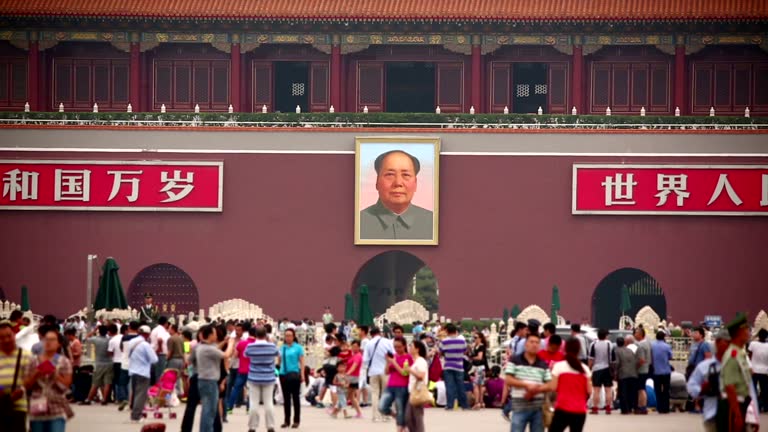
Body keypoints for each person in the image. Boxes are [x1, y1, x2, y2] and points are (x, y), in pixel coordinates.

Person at [359, 149, 434, 240]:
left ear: (415, 183)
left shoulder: (433, 222)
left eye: (406, 175)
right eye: (390, 174)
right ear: (377, 182)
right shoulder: (358, 222)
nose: (398, 183)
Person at [23, 327, 74, 432]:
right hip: (37, 405)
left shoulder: (64, 362)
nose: (49, 342)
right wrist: (36, 374)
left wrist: (55, 375)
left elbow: (66, 385)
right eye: (46, 339)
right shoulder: (33, 361)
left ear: (59, 344)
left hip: (57, 407)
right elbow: (26, 385)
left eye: (52, 340)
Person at [687, 329, 732, 432]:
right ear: (717, 343)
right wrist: (702, 390)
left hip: (734, 413)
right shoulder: (705, 367)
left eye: (731, 343)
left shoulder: (738, 365)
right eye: (726, 342)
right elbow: (692, 386)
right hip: (712, 413)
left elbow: (749, 390)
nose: (728, 346)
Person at [505, 333, 552, 432]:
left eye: (537, 342)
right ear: (525, 344)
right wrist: (526, 385)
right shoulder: (515, 360)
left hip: (538, 409)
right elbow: (508, 379)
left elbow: (550, 385)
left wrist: (535, 389)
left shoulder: (543, 364)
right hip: (519, 407)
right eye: (531, 342)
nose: (534, 345)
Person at [544, 338, 593, 432]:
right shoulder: (585, 369)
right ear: (579, 350)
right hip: (580, 410)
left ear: (565, 348)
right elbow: (589, 391)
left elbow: (552, 387)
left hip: (562, 408)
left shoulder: (559, 366)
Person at [717, 313, 756, 432]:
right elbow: (729, 386)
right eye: (746, 330)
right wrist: (737, 414)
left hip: (741, 403)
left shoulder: (739, 353)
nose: (749, 333)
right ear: (739, 333)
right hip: (732, 405)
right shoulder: (732, 355)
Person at [196, 324, 235, 432]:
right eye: (214, 333)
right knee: (210, 410)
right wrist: (231, 343)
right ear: (209, 335)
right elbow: (226, 355)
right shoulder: (208, 349)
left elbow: (216, 349)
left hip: (205, 381)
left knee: (207, 409)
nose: (216, 335)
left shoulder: (203, 347)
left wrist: (225, 341)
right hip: (210, 382)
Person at [245, 326, 279, 432]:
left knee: (253, 403)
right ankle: (270, 425)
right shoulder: (272, 347)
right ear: (266, 335)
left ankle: (252, 426)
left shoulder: (250, 347)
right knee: (268, 402)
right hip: (268, 377)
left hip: (254, 377)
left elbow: (245, 355)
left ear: (255, 334)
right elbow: (278, 355)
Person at [1, 319, 33, 430]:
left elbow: (31, 377)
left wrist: (23, 389)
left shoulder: (25, 355)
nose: (6, 340)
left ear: (14, 335)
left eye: (9, 336)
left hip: (19, 407)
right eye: (2, 337)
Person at [379, 336, 413, 432]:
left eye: (399, 347)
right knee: (382, 407)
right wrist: (387, 362)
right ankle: (398, 418)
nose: (397, 349)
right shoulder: (394, 356)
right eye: (395, 347)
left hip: (402, 386)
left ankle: (400, 428)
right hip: (390, 385)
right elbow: (386, 372)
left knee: (400, 409)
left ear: (404, 346)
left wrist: (394, 362)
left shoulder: (408, 357)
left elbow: (404, 373)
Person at [363, 327, 394, 422]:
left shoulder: (368, 343)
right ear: (379, 333)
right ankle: (386, 415)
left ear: (371, 334)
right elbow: (393, 354)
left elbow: (365, 360)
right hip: (385, 370)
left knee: (374, 393)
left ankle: (375, 416)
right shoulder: (387, 341)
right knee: (386, 393)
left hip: (373, 371)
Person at [128, 325, 158, 423]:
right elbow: (154, 359)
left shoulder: (131, 342)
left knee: (135, 393)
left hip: (133, 371)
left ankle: (134, 413)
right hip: (143, 372)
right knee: (141, 395)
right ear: (147, 334)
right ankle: (136, 416)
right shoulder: (145, 345)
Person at [279, 328, 305, 428]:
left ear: (293, 336)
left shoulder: (298, 348)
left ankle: (296, 420)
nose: (288, 337)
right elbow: (279, 361)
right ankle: (286, 420)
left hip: (294, 374)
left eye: (290, 335)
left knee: (295, 398)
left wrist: (302, 374)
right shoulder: (282, 348)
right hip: (283, 374)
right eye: (286, 335)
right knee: (286, 398)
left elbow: (302, 362)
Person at [440, 323, 468, 411]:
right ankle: (464, 405)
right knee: (460, 386)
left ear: (447, 331)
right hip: (459, 366)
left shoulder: (444, 341)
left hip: (448, 365)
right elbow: (464, 351)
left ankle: (450, 405)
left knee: (449, 386)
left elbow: (441, 352)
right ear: (456, 331)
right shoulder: (462, 341)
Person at [82, 325, 112, 405]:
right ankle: (105, 399)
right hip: (109, 363)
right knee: (107, 382)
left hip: (99, 363)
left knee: (95, 382)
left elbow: (85, 339)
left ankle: (89, 399)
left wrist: (94, 330)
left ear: (99, 331)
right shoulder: (109, 339)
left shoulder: (95, 339)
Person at [228, 325, 255, 413]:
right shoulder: (256, 344)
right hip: (252, 370)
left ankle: (229, 407)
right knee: (251, 389)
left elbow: (235, 356)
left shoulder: (242, 343)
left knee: (236, 388)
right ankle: (249, 408)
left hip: (241, 369)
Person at [588, 328, 615, 414]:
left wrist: (589, 368)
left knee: (596, 390)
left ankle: (595, 408)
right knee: (608, 390)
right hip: (607, 368)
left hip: (596, 369)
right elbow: (613, 360)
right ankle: (608, 408)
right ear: (606, 336)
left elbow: (591, 359)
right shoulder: (610, 344)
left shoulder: (593, 344)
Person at [406, 340, 429, 432]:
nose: (409, 348)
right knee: (409, 418)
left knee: (417, 418)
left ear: (417, 349)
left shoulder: (421, 361)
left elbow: (421, 376)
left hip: (418, 392)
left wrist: (409, 370)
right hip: (412, 391)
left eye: (411, 346)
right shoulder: (414, 361)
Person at [615, 336, 638, 414]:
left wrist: (614, 372)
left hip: (623, 374)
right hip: (633, 373)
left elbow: (617, 363)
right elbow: (635, 360)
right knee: (631, 392)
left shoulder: (617, 351)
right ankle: (632, 407)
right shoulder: (630, 350)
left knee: (623, 392)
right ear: (624, 343)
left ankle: (625, 409)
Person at [651, 330, 673, 414]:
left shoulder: (652, 345)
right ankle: (666, 408)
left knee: (657, 390)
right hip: (666, 371)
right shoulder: (667, 346)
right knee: (666, 390)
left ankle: (659, 408)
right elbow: (670, 357)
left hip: (656, 371)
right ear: (664, 337)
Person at [748, 328, 768, 413]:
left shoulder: (753, 344)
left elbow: (749, 355)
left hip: (754, 370)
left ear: (758, 336)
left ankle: (756, 406)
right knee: (765, 390)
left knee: (753, 390)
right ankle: (765, 406)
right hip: (765, 371)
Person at [634, 327, 652, 414]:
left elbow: (641, 360)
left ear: (641, 335)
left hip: (641, 370)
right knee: (642, 388)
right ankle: (642, 406)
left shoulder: (640, 345)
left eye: (636, 333)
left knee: (641, 389)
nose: (635, 335)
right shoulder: (647, 343)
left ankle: (642, 406)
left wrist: (635, 367)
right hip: (646, 368)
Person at [470, 331, 489, 409]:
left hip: (478, 367)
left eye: (476, 337)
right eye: (473, 337)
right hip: (481, 367)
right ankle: (481, 402)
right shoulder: (476, 346)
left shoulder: (481, 346)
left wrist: (472, 357)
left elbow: (480, 357)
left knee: (476, 386)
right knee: (480, 385)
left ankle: (477, 402)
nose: (474, 339)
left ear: (480, 338)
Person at [345, 340, 363, 419]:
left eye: (356, 346)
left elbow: (354, 366)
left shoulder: (358, 356)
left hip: (352, 377)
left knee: (345, 395)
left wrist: (347, 373)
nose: (354, 348)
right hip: (352, 377)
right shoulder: (353, 355)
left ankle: (336, 410)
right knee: (351, 396)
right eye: (353, 346)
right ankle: (359, 413)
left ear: (359, 347)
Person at [149, 316, 170, 384]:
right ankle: (158, 390)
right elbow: (160, 339)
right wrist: (159, 349)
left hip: (156, 352)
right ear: (166, 323)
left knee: (157, 372)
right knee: (160, 373)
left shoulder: (155, 329)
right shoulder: (161, 330)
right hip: (160, 354)